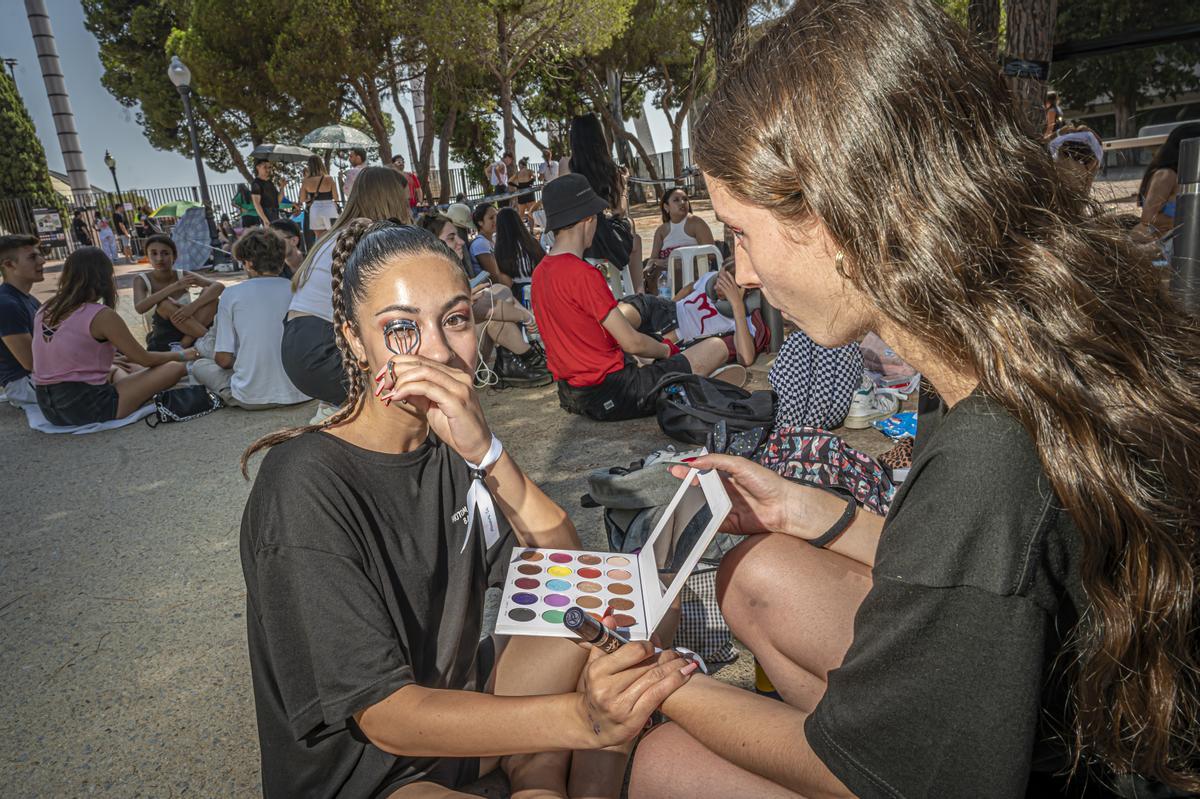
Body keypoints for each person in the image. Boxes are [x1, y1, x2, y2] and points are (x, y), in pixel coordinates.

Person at [626, 2, 1200, 797]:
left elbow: (885, 774)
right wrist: (806, 513)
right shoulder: (1008, 338)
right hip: (1074, 717)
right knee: (756, 575)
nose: (743, 274)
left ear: (838, 218)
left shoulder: (987, 452)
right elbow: (988, 568)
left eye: (742, 234)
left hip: (1065, 771)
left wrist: (664, 684)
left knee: (663, 763)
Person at [239, 218, 692, 797]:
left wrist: (488, 452)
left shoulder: (452, 446)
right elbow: (385, 715)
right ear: (353, 338)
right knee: (595, 703)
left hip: (460, 718)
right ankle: (543, 768)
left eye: (454, 320)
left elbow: (568, 571)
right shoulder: (303, 481)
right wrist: (583, 719)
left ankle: (556, 777)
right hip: (371, 770)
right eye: (402, 328)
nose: (437, 350)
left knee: (647, 605)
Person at [533, 174, 733, 422]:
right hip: (613, 392)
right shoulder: (582, 274)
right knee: (715, 347)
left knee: (649, 345)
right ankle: (686, 382)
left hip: (571, 392)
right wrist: (665, 351)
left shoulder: (540, 272)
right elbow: (632, 343)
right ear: (588, 219)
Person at [285, 166, 412, 407]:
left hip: (298, 343)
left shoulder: (337, 236)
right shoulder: (369, 239)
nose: (409, 209)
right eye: (405, 203)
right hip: (323, 350)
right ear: (391, 202)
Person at [32, 247, 199, 426]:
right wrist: (183, 354)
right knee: (174, 368)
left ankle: (133, 386)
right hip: (90, 406)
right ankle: (136, 390)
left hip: (49, 406)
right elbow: (145, 359)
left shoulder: (47, 307)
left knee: (117, 368)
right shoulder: (100, 315)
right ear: (104, 277)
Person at [418, 211, 550, 387]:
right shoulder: (431, 282)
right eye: (451, 238)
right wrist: (526, 317)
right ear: (433, 244)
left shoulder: (445, 273)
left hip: (463, 355)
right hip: (451, 366)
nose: (461, 242)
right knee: (492, 316)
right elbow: (484, 306)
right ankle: (528, 358)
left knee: (498, 291)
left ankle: (516, 359)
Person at [189, 230, 308, 410]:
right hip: (304, 392)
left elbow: (223, 360)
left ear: (249, 263)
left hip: (252, 398)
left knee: (199, 366)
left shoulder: (231, 295)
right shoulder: (298, 290)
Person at [617, 264, 765, 371]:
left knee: (646, 349)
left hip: (674, 336)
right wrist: (671, 303)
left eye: (723, 285)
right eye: (718, 279)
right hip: (665, 310)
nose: (715, 287)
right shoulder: (710, 280)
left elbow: (746, 358)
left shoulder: (742, 319)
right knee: (622, 317)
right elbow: (689, 288)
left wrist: (737, 305)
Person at [564, 114, 644, 295]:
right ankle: (639, 293)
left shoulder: (566, 166)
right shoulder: (609, 168)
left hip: (575, 239)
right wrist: (624, 185)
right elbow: (619, 210)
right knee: (634, 237)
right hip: (604, 238)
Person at [133, 234, 223, 351]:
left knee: (210, 296)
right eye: (154, 253)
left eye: (165, 253)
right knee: (165, 304)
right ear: (147, 256)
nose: (159, 258)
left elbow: (219, 286)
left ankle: (183, 345)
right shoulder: (141, 280)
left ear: (174, 256)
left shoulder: (182, 275)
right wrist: (174, 287)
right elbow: (140, 308)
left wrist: (191, 307)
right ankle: (212, 341)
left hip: (191, 330)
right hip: (165, 334)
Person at [1133, 122, 1200, 246]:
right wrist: (1189, 222)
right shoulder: (1166, 175)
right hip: (1159, 245)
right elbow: (1148, 219)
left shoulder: (1187, 176)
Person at [0, 234, 46, 407]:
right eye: (32, 257)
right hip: (23, 383)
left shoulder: (27, 299)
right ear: (9, 265)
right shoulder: (6, 304)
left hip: (37, 376)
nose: (42, 261)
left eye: (40, 254)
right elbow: (31, 362)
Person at [646, 187, 716, 293]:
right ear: (666, 207)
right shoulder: (661, 231)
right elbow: (652, 260)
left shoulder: (696, 223)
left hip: (693, 277)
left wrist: (680, 260)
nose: (682, 202)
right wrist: (660, 263)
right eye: (676, 200)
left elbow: (711, 254)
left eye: (685, 199)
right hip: (665, 279)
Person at [493, 206, 544, 305]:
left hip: (519, 296)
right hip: (540, 288)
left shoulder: (501, 248)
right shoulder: (532, 242)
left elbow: (506, 281)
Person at [1048, 124, 1104, 196]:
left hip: (1068, 155)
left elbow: (1045, 142)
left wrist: (1059, 132)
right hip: (1082, 159)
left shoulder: (1058, 157)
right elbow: (1100, 145)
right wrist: (1089, 130)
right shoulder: (1091, 164)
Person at [299, 154, 338, 237]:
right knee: (333, 235)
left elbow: (302, 199)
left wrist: (309, 198)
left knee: (320, 237)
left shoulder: (306, 181)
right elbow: (336, 197)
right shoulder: (329, 178)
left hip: (315, 208)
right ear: (321, 164)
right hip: (329, 208)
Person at [467, 204, 500, 283]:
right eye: (491, 218)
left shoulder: (492, 239)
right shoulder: (480, 244)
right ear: (480, 222)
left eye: (497, 216)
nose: (496, 220)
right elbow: (495, 277)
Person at [250, 159, 282, 226]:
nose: (268, 170)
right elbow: (256, 204)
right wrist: (265, 220)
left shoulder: (269, 183)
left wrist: (282, 187)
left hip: (275, 213)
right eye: (265, 167)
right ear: (258, 167)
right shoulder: (256, 183)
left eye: (269, 167)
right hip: (267, 215)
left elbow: (278, 201)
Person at [512, 157, 537, 225]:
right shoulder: (529, 171)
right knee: (530, 213)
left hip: (521, 193)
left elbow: (510, 181)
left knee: (521, 214)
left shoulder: (518, 173)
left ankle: (522, 231)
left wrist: (518, 186)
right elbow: (535, 177)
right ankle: (531, 231)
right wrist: (530, 183)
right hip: (528, 192)